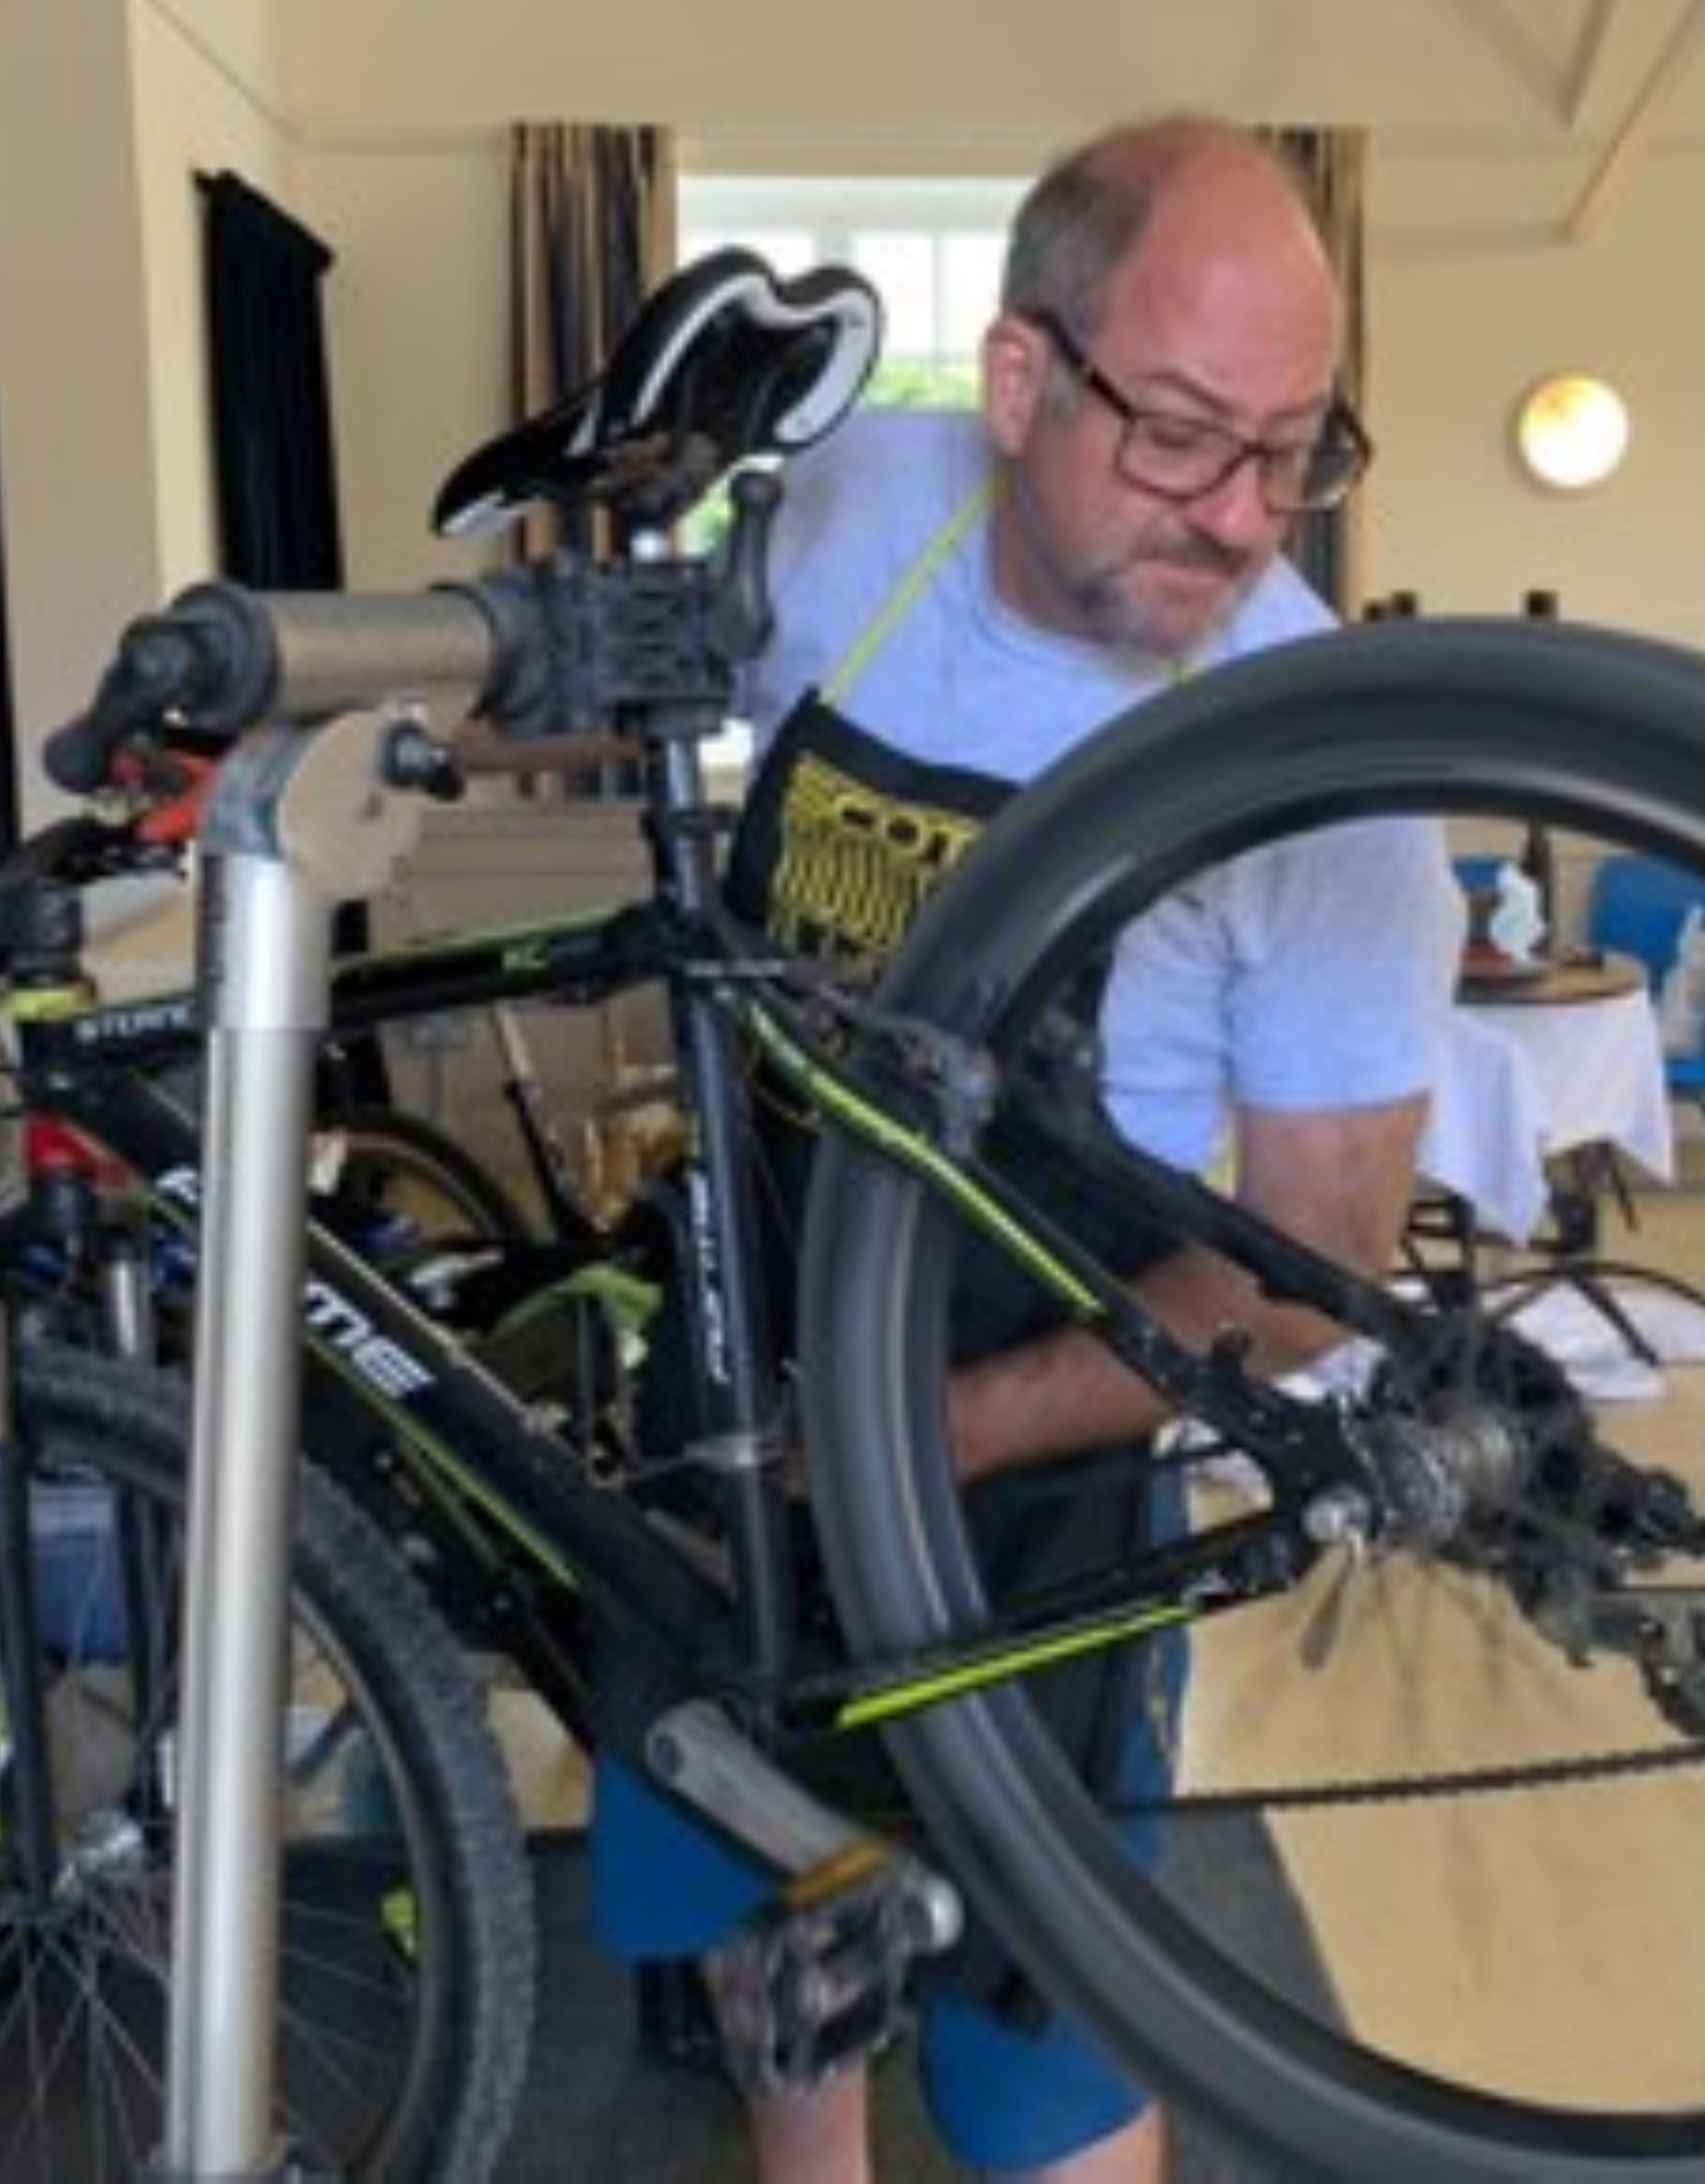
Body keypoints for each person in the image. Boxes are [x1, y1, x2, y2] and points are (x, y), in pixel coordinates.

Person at [591, 113, 1463, 2183]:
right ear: (1017, 383)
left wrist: (938, 1427)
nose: (1239, 518)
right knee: (765, 1870)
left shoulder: (1318, 773)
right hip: (754, 1329)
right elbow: (615, 683)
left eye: (1294, 448)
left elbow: (1311, 1265)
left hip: (1044, 1473)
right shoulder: (849, 508)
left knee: (1040, 2030)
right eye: (1176, 433)